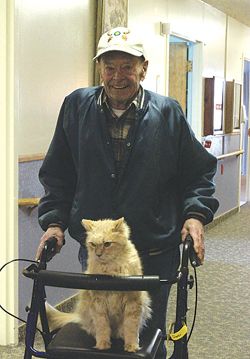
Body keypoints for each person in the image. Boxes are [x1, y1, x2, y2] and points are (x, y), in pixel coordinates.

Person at [36, 26, 219, 358]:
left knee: (146, 338)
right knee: (103, 335)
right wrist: (53, 222)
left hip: (154, 253)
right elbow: (58, 174)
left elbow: (198, 172)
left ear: (143, 68)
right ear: (100, 70)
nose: (117, 76)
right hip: (99, 254)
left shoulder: (168, 113)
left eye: (127, 67)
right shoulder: (77, 107)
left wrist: (195, 216)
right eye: (109, 67)